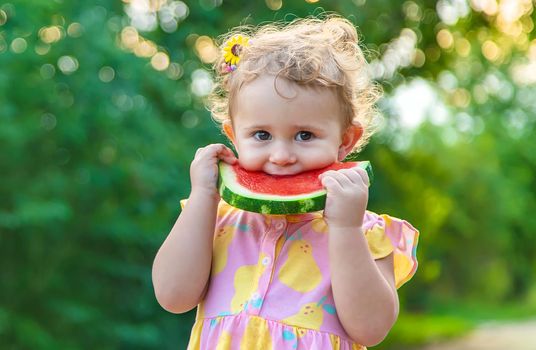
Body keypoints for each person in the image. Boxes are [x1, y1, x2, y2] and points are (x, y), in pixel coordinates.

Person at [152, 15, 419, 350]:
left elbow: (371, 329)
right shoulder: (215, 220)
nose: (280, 155)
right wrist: (202, 195)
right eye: (261, 134)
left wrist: (347, 229)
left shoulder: (367, 233)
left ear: (346, 140)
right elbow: (172, 296)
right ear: (234, 136)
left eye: (304, 135)